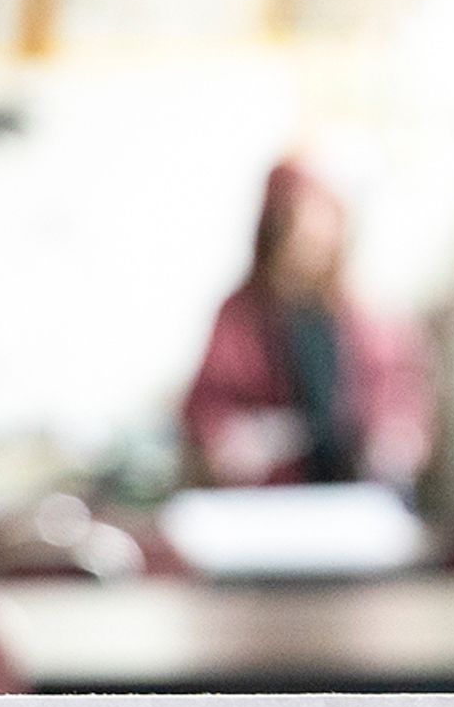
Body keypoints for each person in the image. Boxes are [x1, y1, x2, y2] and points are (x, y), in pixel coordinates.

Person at [177, 158, 431, 490]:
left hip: (354, 495)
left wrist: (397, 438)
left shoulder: (369, 317)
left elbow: (399, 395)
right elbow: (208, 404)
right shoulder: (239, 316)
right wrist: (230, 440)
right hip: (269, 499)